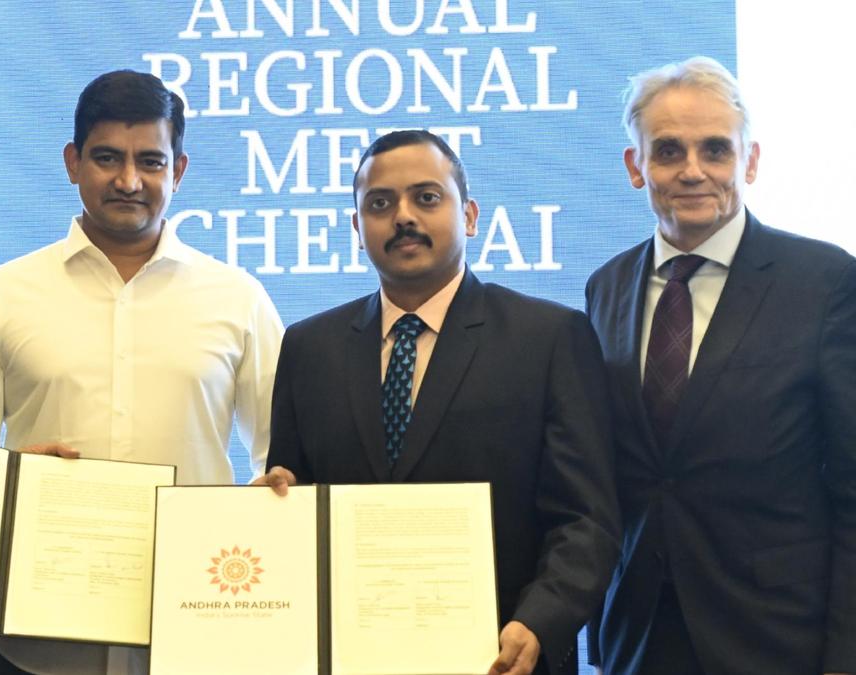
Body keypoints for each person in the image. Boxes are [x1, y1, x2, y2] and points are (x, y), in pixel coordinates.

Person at [0, 70, 284, 675]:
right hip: (37, 638)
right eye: (107, 158)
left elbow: (280, 460)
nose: (129, 181)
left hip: (195, 629)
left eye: (151, 161)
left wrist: (263, 513)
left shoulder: (239, 299)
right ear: (73, 163)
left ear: (178, 171)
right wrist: (12, 480)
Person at [257, 129, 620, 675]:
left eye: (426, 198)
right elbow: (295, 492)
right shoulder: (309, 347)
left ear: (469, 215)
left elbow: (586, 518)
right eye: (380, 204)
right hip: (353, 659)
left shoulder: (548, 337)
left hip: (502, 656)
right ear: (357, 228)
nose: (403, 217)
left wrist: (540, 621)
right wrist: (273, 506)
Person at [585, 56, 856, 675]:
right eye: (667, 151)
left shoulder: (826, 282)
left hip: (778, 637)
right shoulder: (606, 287)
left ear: (749, 161)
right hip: (640, 637)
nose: (692, 170)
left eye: (715, 149)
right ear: (635, 166)